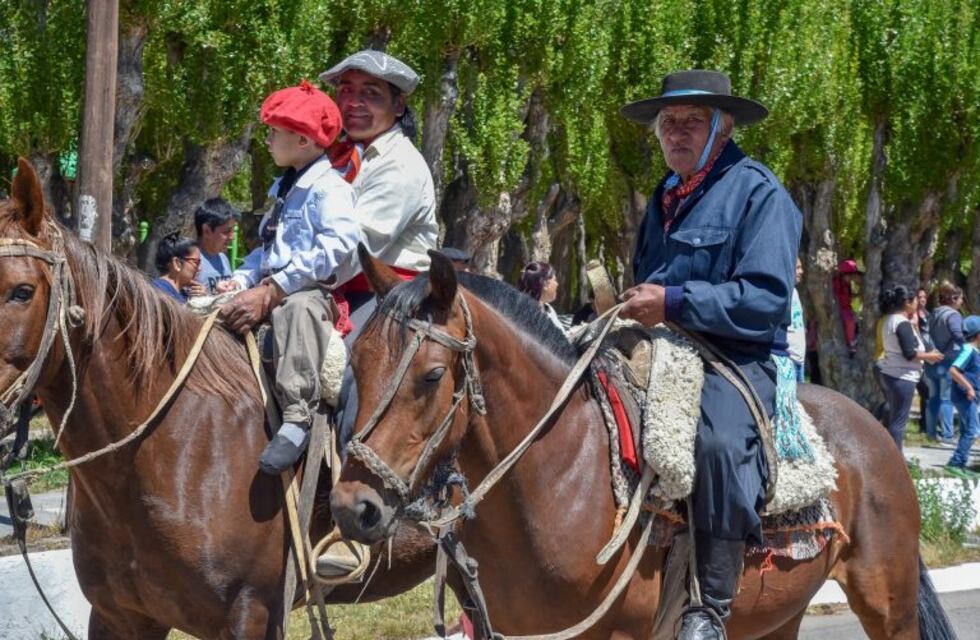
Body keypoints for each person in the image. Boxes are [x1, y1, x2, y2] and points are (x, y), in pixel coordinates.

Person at [619, 70, 800, 638]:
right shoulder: (665, 195)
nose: (676, 133)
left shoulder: (761, 193)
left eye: (692, 121)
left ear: (722, 128)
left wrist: (672, 301)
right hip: (661, 344)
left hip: (733, 357)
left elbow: (767, 300)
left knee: (716, 442)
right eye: (668, 123)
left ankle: (709, 607)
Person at [216, 80, 360, 475]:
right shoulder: (285, 186)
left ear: (301, 140)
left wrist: (280, 285)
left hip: (308, 292)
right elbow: (268, 247)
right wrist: (243, 279)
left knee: (296, 313)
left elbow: (340, 244)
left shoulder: (329, 188)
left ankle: (297, 418)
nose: (268, 140)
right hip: (270, 285)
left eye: (274, 132)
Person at [319, 49, 438, 321]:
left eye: (370, 93)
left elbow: (355, 248)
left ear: (398, 105)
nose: (354, 103)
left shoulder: (401, 163)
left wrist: (282, 284)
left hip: (387, 300)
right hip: (332, 286)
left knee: (320, 358)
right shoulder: (334, 157)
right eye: (346, 91)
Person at [876, 284, 944, 451]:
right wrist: (931, 356)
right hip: (903, 376)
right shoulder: (901, 323)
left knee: (893, 418)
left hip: (891, 372)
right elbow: (909, 352)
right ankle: (897, 462)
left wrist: (914, 325)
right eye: (914, 300)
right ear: (907, 302)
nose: (917, 304)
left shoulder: (889, 320)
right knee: (898, 424)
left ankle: (888, 454)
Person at [925, 281, 966, 443]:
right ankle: (947, 434)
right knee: (946, 399)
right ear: (954, 298)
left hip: (931, 361)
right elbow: (957, 335)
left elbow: (926, 334)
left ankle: (930, 433)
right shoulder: (953, 315)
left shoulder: (934, 312)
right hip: (947, 361)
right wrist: (966, 344)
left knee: (933, 398)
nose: (962, 302)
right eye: (961, 299)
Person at [947, 315, 980, 478]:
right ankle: (956, 462)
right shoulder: (968, 350)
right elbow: (953, 370)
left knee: (969, 429)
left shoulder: (974, 351)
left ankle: (960, 463)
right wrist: (969, 388)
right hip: (964, 396)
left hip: (968, 396)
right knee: (973, 431)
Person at [194, 198, 241, 294]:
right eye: (227, 231)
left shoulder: (223, 258)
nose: (232, 237)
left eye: (233, 230)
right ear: (207, 231)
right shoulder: (190, 261)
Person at [151, 234, 204, 303]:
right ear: (177, 263)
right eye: (196, 262)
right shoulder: (160, 292)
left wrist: (202, 300)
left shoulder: (183, 293)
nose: (199, 268)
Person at [517, 261, 565, 332]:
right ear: (545, 284)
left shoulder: (548, 309)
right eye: (554, 280)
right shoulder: (528, 316)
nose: (557, 284)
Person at [833, 258, 862, 357]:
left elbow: (847, 296)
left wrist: (856, 295)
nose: (851, 278)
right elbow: (839, 297)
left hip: (847, 307)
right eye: (849, 275)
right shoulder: (837, 282)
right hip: (842, 308)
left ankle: (853, 340)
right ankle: (851, 344)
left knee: (855, 319)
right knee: (850, 322)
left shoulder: (846, 283)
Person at [786, 258, 806, 382]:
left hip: (799, 359)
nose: (801, 271)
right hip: (788, 358)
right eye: (797, 268)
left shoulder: (794, 292)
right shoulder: (784, 293)